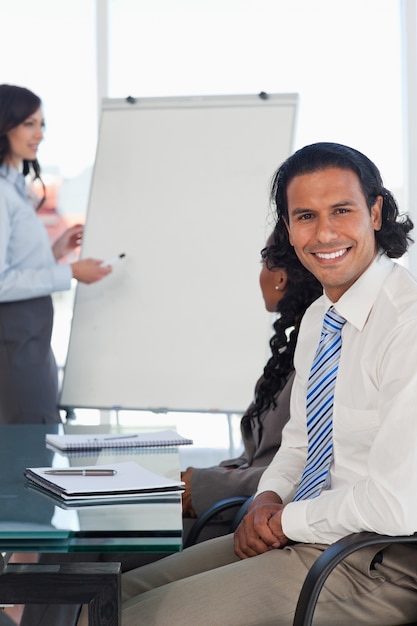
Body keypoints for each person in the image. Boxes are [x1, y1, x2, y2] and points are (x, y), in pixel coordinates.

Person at [76, 141, 417, 626]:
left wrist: (283, 521)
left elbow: (396, 505)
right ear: (289, 228)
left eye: (342, 211)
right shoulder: (322, 318)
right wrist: (267, 498)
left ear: (376, 212)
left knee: (129, 620)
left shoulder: (407, 325)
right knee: (107, 598)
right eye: (305, 216)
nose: (324, 233)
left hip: (376, 564)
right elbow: (300, 443)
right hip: (307, 537)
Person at [181, 230, 322, 542]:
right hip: (238, 508)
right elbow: (260, 456)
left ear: (280, 278)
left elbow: (313, 469)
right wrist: (207, 477)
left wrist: (202, 485)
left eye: (264, 262)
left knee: (106, 548)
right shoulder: (293, 354)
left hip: (252, 518)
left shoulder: (325, 359)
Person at [0, 84, 111, 425]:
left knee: (39, 429)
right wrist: (71, 272)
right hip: (15, 345)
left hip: (30, 341)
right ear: (5, 125)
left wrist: (55, 251)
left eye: (42, 124)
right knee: (29, 436)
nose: (40, 135)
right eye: (29, 124)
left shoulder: (14, 186)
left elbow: (17, 264)